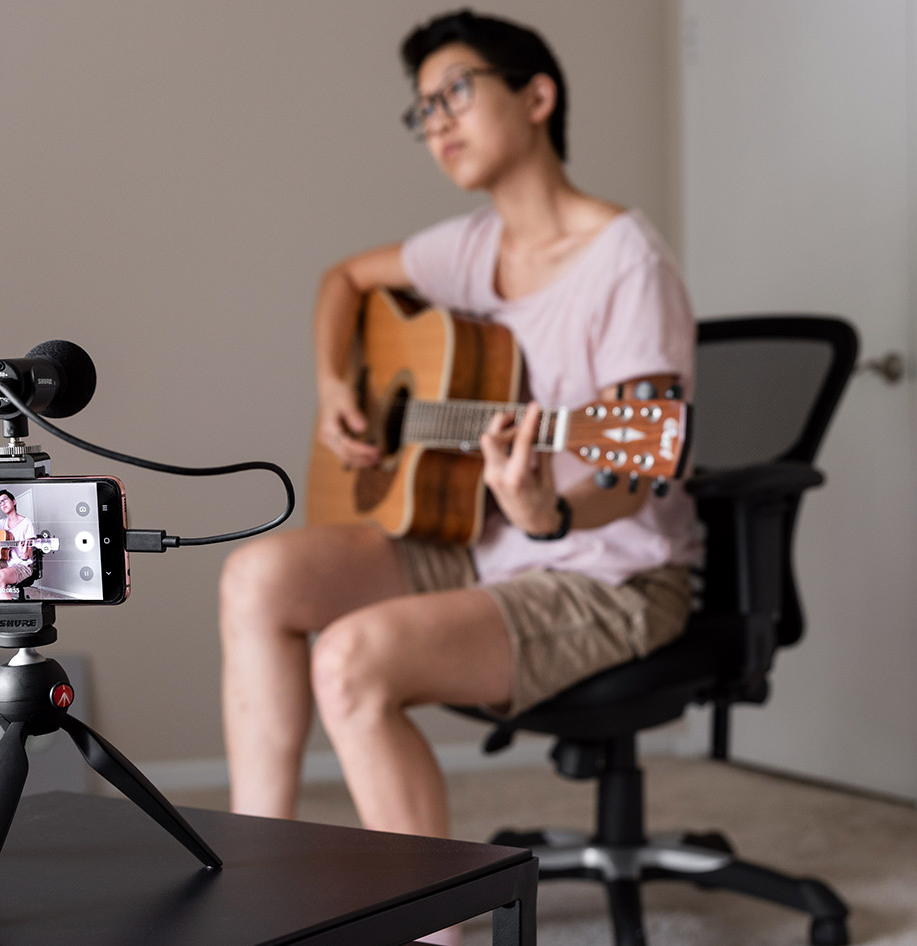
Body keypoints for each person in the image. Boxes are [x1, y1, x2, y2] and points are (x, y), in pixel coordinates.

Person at [218, 14, 695, 939]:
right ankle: (255, 886)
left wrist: (550, 507)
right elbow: (342, 282)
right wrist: (332, 390)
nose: (436, 120)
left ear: (537, 97)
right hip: (482, 539)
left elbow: (635, 480)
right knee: (257, 577)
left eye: (456, 93)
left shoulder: (627, 263)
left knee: (350, 659)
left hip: (608, 572)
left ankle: (434, 935)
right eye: (422, 108)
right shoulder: (469, 249)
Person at [0, 489, 36, 600]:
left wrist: (24, 556)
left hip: (23, 565)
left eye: (5, 500)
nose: (2, 503)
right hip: (6, 562)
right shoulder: (2, 523)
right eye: (0, 502)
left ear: (14, 502)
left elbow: (29, 552)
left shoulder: (26, 523)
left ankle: (9, 609)